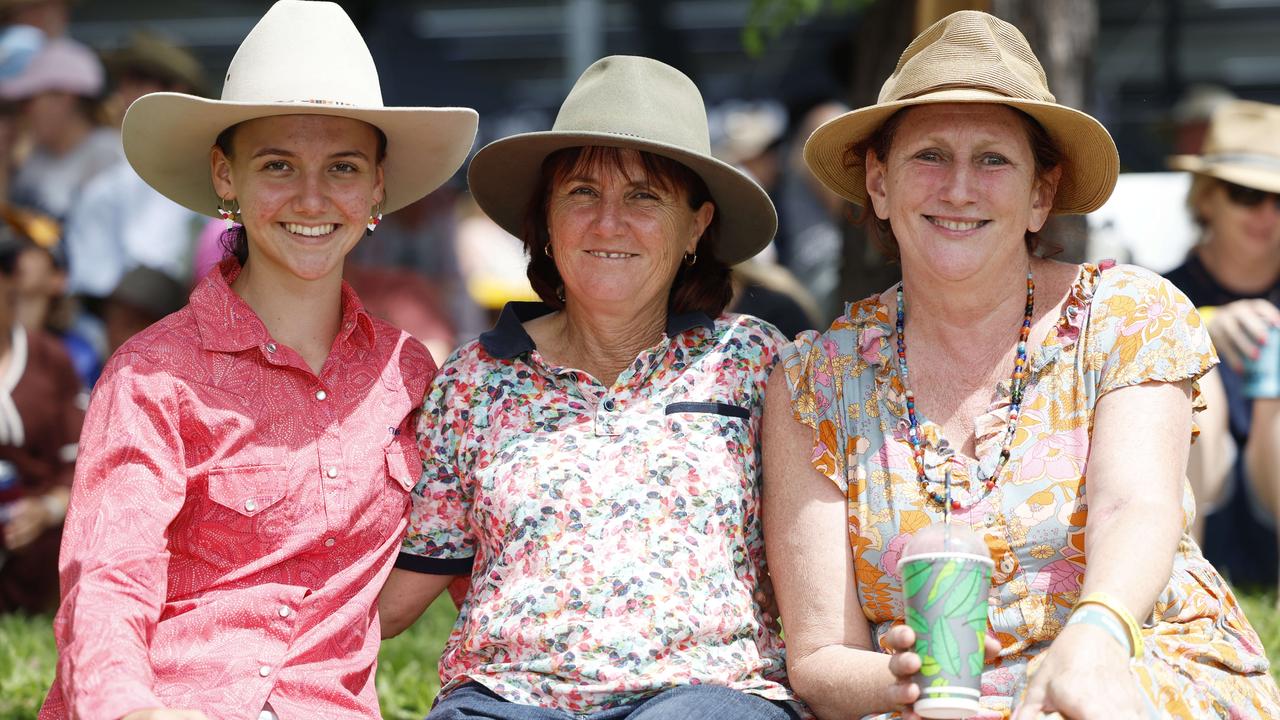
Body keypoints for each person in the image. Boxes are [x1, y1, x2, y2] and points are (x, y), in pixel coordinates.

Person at [763, 11, 1280, 720]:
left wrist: (1094, 635)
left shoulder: (1125, 313)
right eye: (929, 156)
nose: (959, 188)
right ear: (878, 184)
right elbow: (822, 660)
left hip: (1134, 658)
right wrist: (915, 686)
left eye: (993, 160)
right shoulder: (814, 382)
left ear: (1041, 194)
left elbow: (1135, 505)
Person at [37, 2, 477, 719]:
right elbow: (109, 575)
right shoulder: (152, 373)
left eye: (343, 167)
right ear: (225, 176)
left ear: (377, 189)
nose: (312, 197)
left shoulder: (409, 374)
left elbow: (483, 555)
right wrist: (131, 712)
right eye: (278, 165)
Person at [379, 55, 800, 719]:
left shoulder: (751, 361)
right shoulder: (477, 377)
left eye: (643, 196)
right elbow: (399, 594)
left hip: (705, 694)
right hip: (506, 697)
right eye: (581, 192)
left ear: (696, 225)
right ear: (545, 220)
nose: (609, 222)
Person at [1165, 99, 1280, 595]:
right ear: (1206, 197)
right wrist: (1204, 326)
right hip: (1192, 514)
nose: (1267, 215)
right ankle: (1177, 589)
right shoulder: (1159, 293)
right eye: (1246, 194)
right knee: (1189, 386)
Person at [0, 226, 83, 615]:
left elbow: (83, 467)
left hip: (36, 558)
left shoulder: (50, 361)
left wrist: (46, 509)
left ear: (10, 284)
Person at [0, 36, 120, 221]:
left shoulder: (109, 156)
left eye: (29, 100)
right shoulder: (35, 158)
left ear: (64, 97)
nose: (24, 112)